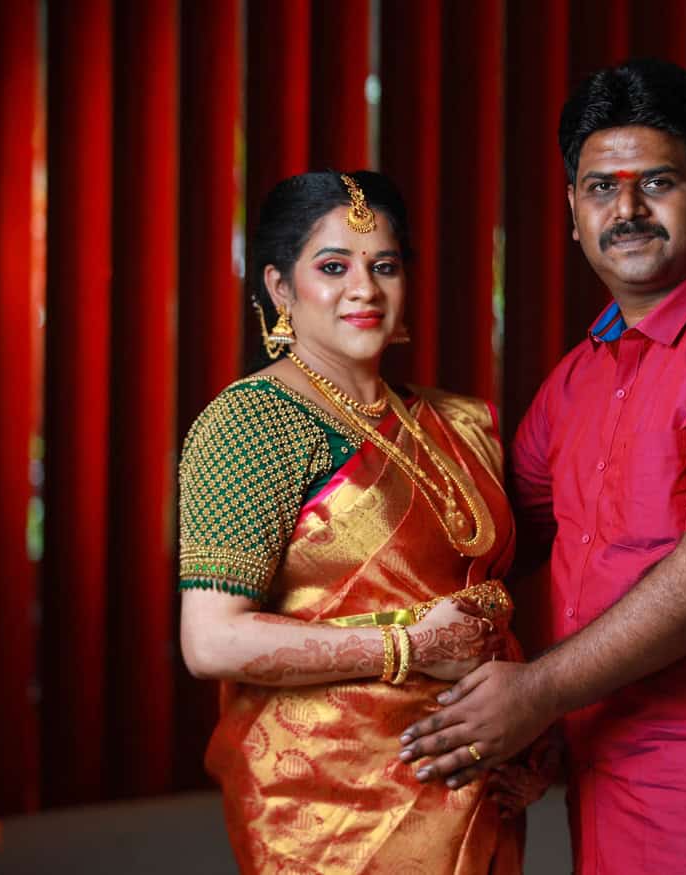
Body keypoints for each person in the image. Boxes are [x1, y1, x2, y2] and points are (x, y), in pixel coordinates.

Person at [398, 59, 686, 874]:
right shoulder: (577, 379)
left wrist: (533, 694)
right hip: (606, 796)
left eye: (656, 182)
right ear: (573, 215)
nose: (626, 210)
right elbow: (492, 541)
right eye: (599, 188)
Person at [178, 170, 537, 874]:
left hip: (473, 790)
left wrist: (528, 729)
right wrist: (407, 647)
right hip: (326, 815)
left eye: (384, 266)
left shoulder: (456, 421)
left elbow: (484, 602)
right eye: (333, 266)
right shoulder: (256, 422)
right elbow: (211, 640)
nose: (364, 289)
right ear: (281, 289)